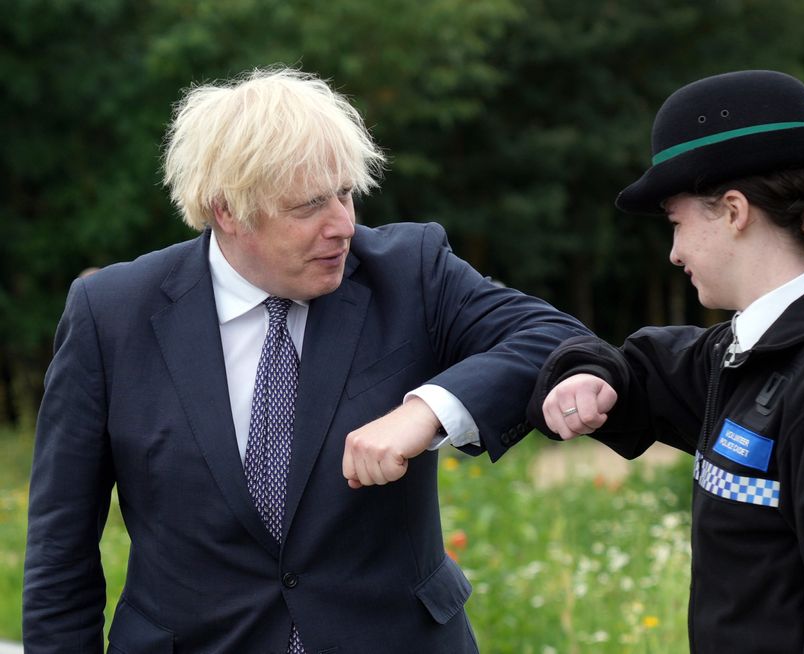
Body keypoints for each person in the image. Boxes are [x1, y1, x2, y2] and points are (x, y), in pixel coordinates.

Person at [23, 67, 588, 653]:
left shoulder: (410, 272)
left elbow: (552, 338)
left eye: (345, 192)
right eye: (310, 205)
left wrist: (426, 411)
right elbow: (60, 549)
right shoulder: (111, 313)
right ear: (228, 211)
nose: (343, 225)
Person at [528, 70, 804, 652]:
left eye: (677, 224)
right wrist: (590, 374)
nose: (673, 253)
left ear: (735, 211)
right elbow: (642, 368)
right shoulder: (749, 353)